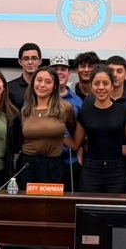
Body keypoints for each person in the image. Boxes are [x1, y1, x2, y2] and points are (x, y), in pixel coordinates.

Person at [67, 66, 126, 194]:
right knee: (88, 209)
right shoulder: (85, 112)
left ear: (112, 86)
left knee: (115, 210)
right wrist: (55, 135)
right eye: (96, 83)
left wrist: (111, 148)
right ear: (91, 87)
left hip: (117, 170)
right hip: (90, 170)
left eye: (106, 83)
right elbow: (76, 144)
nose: (101, 87)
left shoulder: (123, 112)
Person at [17, 66, 77, 190]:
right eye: (39, 80)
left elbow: (74, 133)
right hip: (27, 165)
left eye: (48, 82)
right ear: (33, 82)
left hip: (53, 165)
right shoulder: (25, 110)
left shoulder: (65, 108)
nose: (42, 85)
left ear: (55, 86)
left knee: (52, 207)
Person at [50, 53, 83, 191]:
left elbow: (81, 133)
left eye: (63, 69)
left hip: (69, 161)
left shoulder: (77, 101)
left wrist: (80, 159)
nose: (59, 73)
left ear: (69, 73)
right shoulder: (38, 98)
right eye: (55, 69)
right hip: (47, 161)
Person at [8, 43, 42, 109]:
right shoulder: (9, 88)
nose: (30, 62)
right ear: (20, 62)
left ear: (40, 61)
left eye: (34, 58)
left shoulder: (45, 86)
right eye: (26, 59)